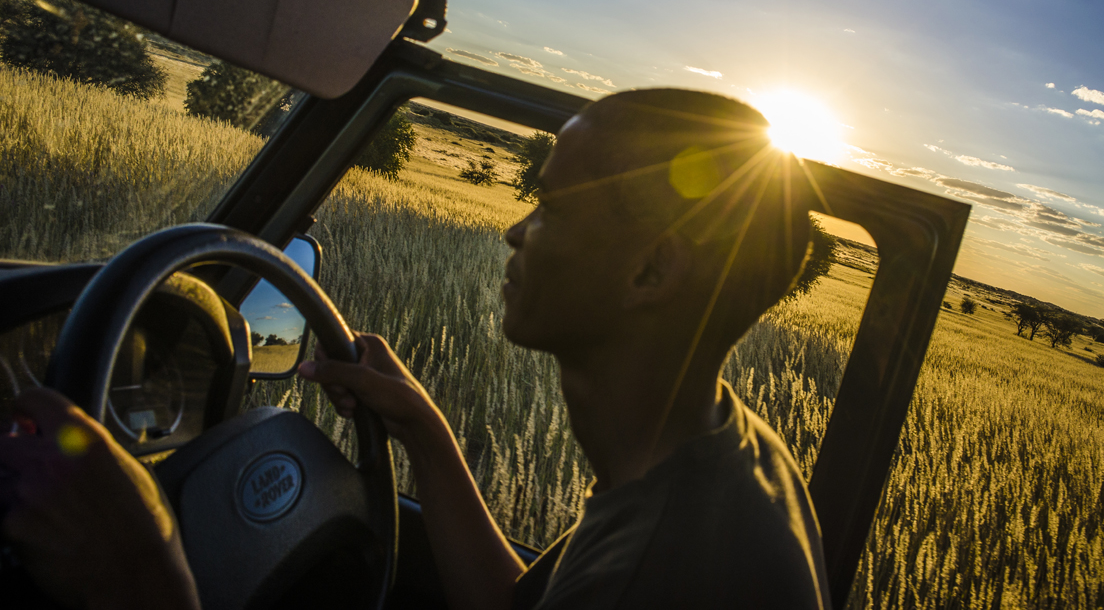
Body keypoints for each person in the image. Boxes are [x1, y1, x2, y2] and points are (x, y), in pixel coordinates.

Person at [0, 88, 829, 609]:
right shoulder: (727, 456)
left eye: (551, 207)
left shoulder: (667, 571)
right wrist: (425, 431)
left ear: (651, 270)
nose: (516, 229)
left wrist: (144, 581)